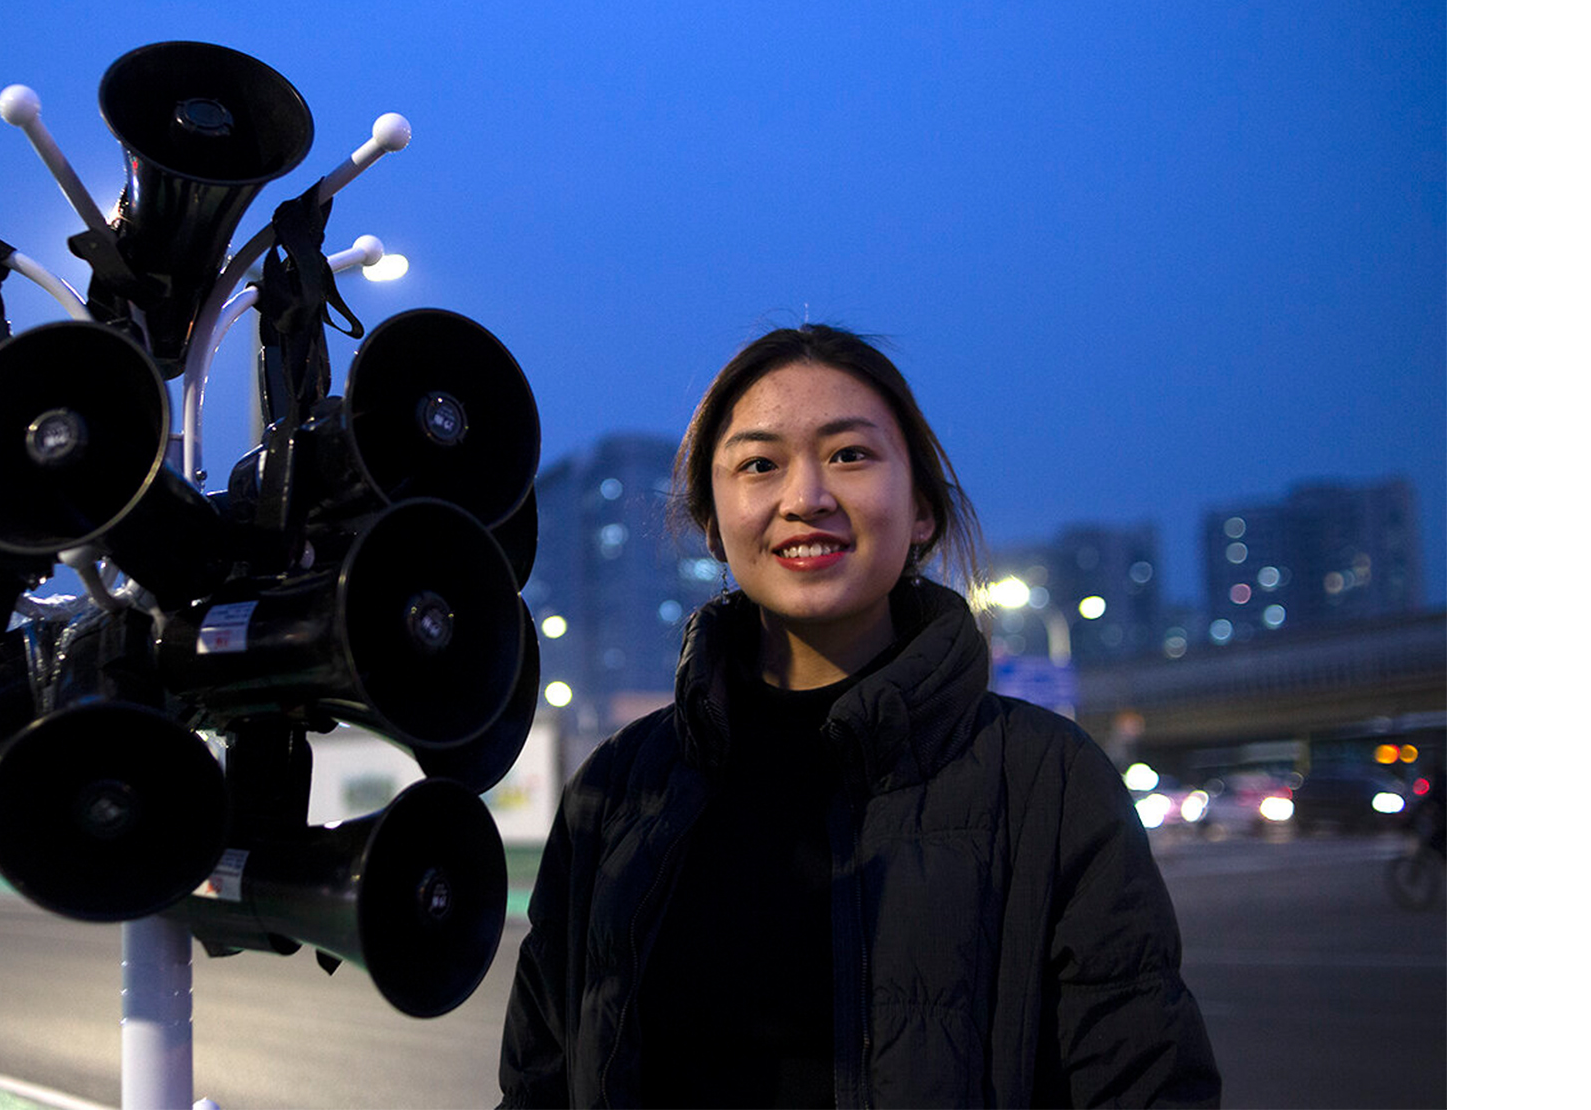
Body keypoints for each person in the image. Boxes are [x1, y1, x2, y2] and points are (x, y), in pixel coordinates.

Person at [497, 324, 1220, 1108]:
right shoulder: (620, 788)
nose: (805, 498)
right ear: (713, 521)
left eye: (849, 454)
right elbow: (539, 1081)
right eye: (759, 464)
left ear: (922, 513)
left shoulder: (1048, 778)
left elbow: (1146, 1085)